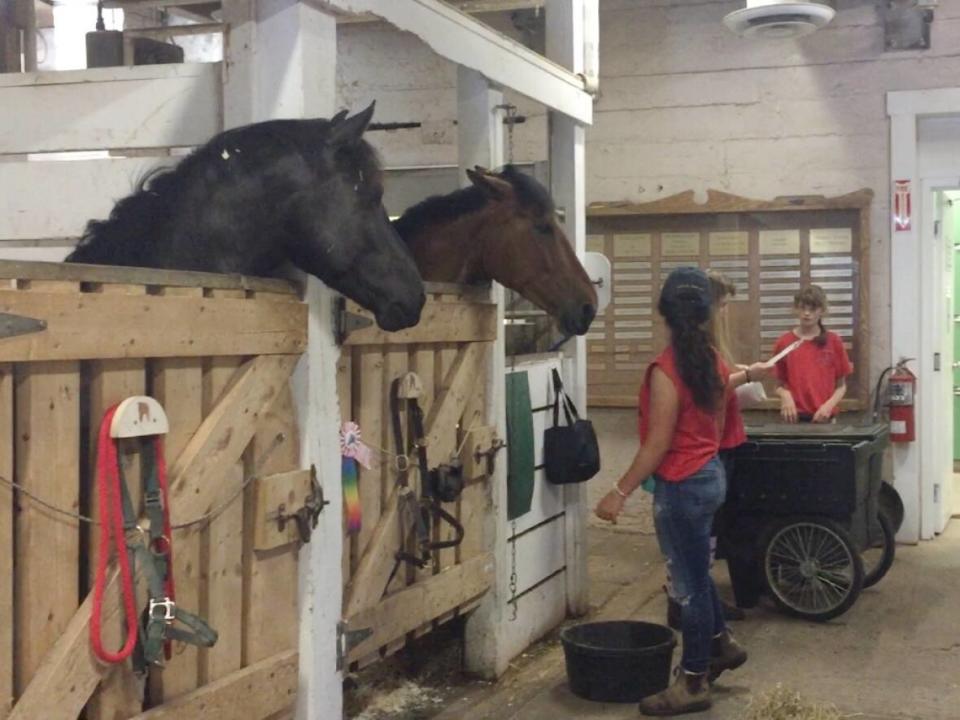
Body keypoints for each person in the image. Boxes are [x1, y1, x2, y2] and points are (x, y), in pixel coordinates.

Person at [595, 267, 765, 716]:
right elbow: (725, 388)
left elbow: (657, 445)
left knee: (686, 589)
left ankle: (693, 681)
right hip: (710, 476)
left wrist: (619, 491)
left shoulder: (667, 371)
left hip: (682, 487)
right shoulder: (710, 359)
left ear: (664, 314)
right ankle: (721, 644)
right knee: (695, 572)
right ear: (707, 314)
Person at [663, 270, 768, 628]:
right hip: (709, 447)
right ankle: (690, 603)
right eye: (721, 305)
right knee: (697, 534)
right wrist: (748, 376)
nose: (725, 312)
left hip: (725, 439)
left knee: (707, 531)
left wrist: (742, 373)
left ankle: (697, 600)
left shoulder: (710, 346)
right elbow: (710, 387)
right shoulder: (682, 355)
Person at [774, 285, 853, 423]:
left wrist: (828, 406)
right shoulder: (784, 342)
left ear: (822, 310)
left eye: (812, 309)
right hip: (793, 420)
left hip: (825, 418)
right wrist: (785, 395)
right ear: (795, 309)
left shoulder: (834, 342)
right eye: (802, 308)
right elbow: (777, 385)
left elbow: (841, 386)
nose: (806, 313)